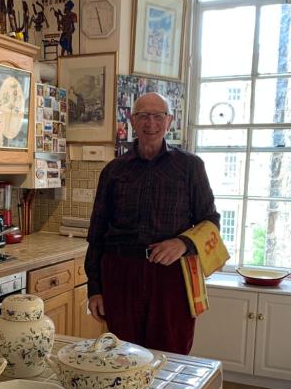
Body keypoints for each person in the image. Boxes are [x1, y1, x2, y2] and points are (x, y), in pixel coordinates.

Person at [85, 92, 220, 355]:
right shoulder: (113, 171)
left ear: (169, 121)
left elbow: (210, 220)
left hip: (172, 276)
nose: (151, 123)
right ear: (133, 120)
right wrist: (95, 289)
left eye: (158, 116)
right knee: (122, 355)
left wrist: (183, 243)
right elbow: (97, 234)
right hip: (121, 275)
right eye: (144, 116)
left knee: (171, 353)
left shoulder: (191, 167)